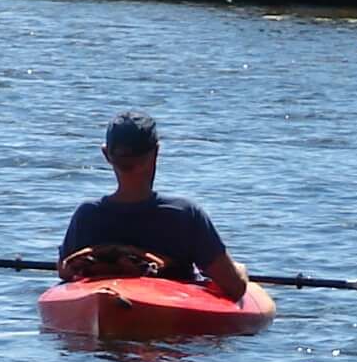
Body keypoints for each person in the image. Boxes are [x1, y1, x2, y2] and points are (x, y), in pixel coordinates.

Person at [60, 110, 253, 301]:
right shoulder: (184, 214)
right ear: (156, 151)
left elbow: (64, 270)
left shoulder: (87, 215)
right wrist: (240, 270)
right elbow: (234, 287)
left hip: (107, 306)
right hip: (169, 322)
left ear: (106, 154)